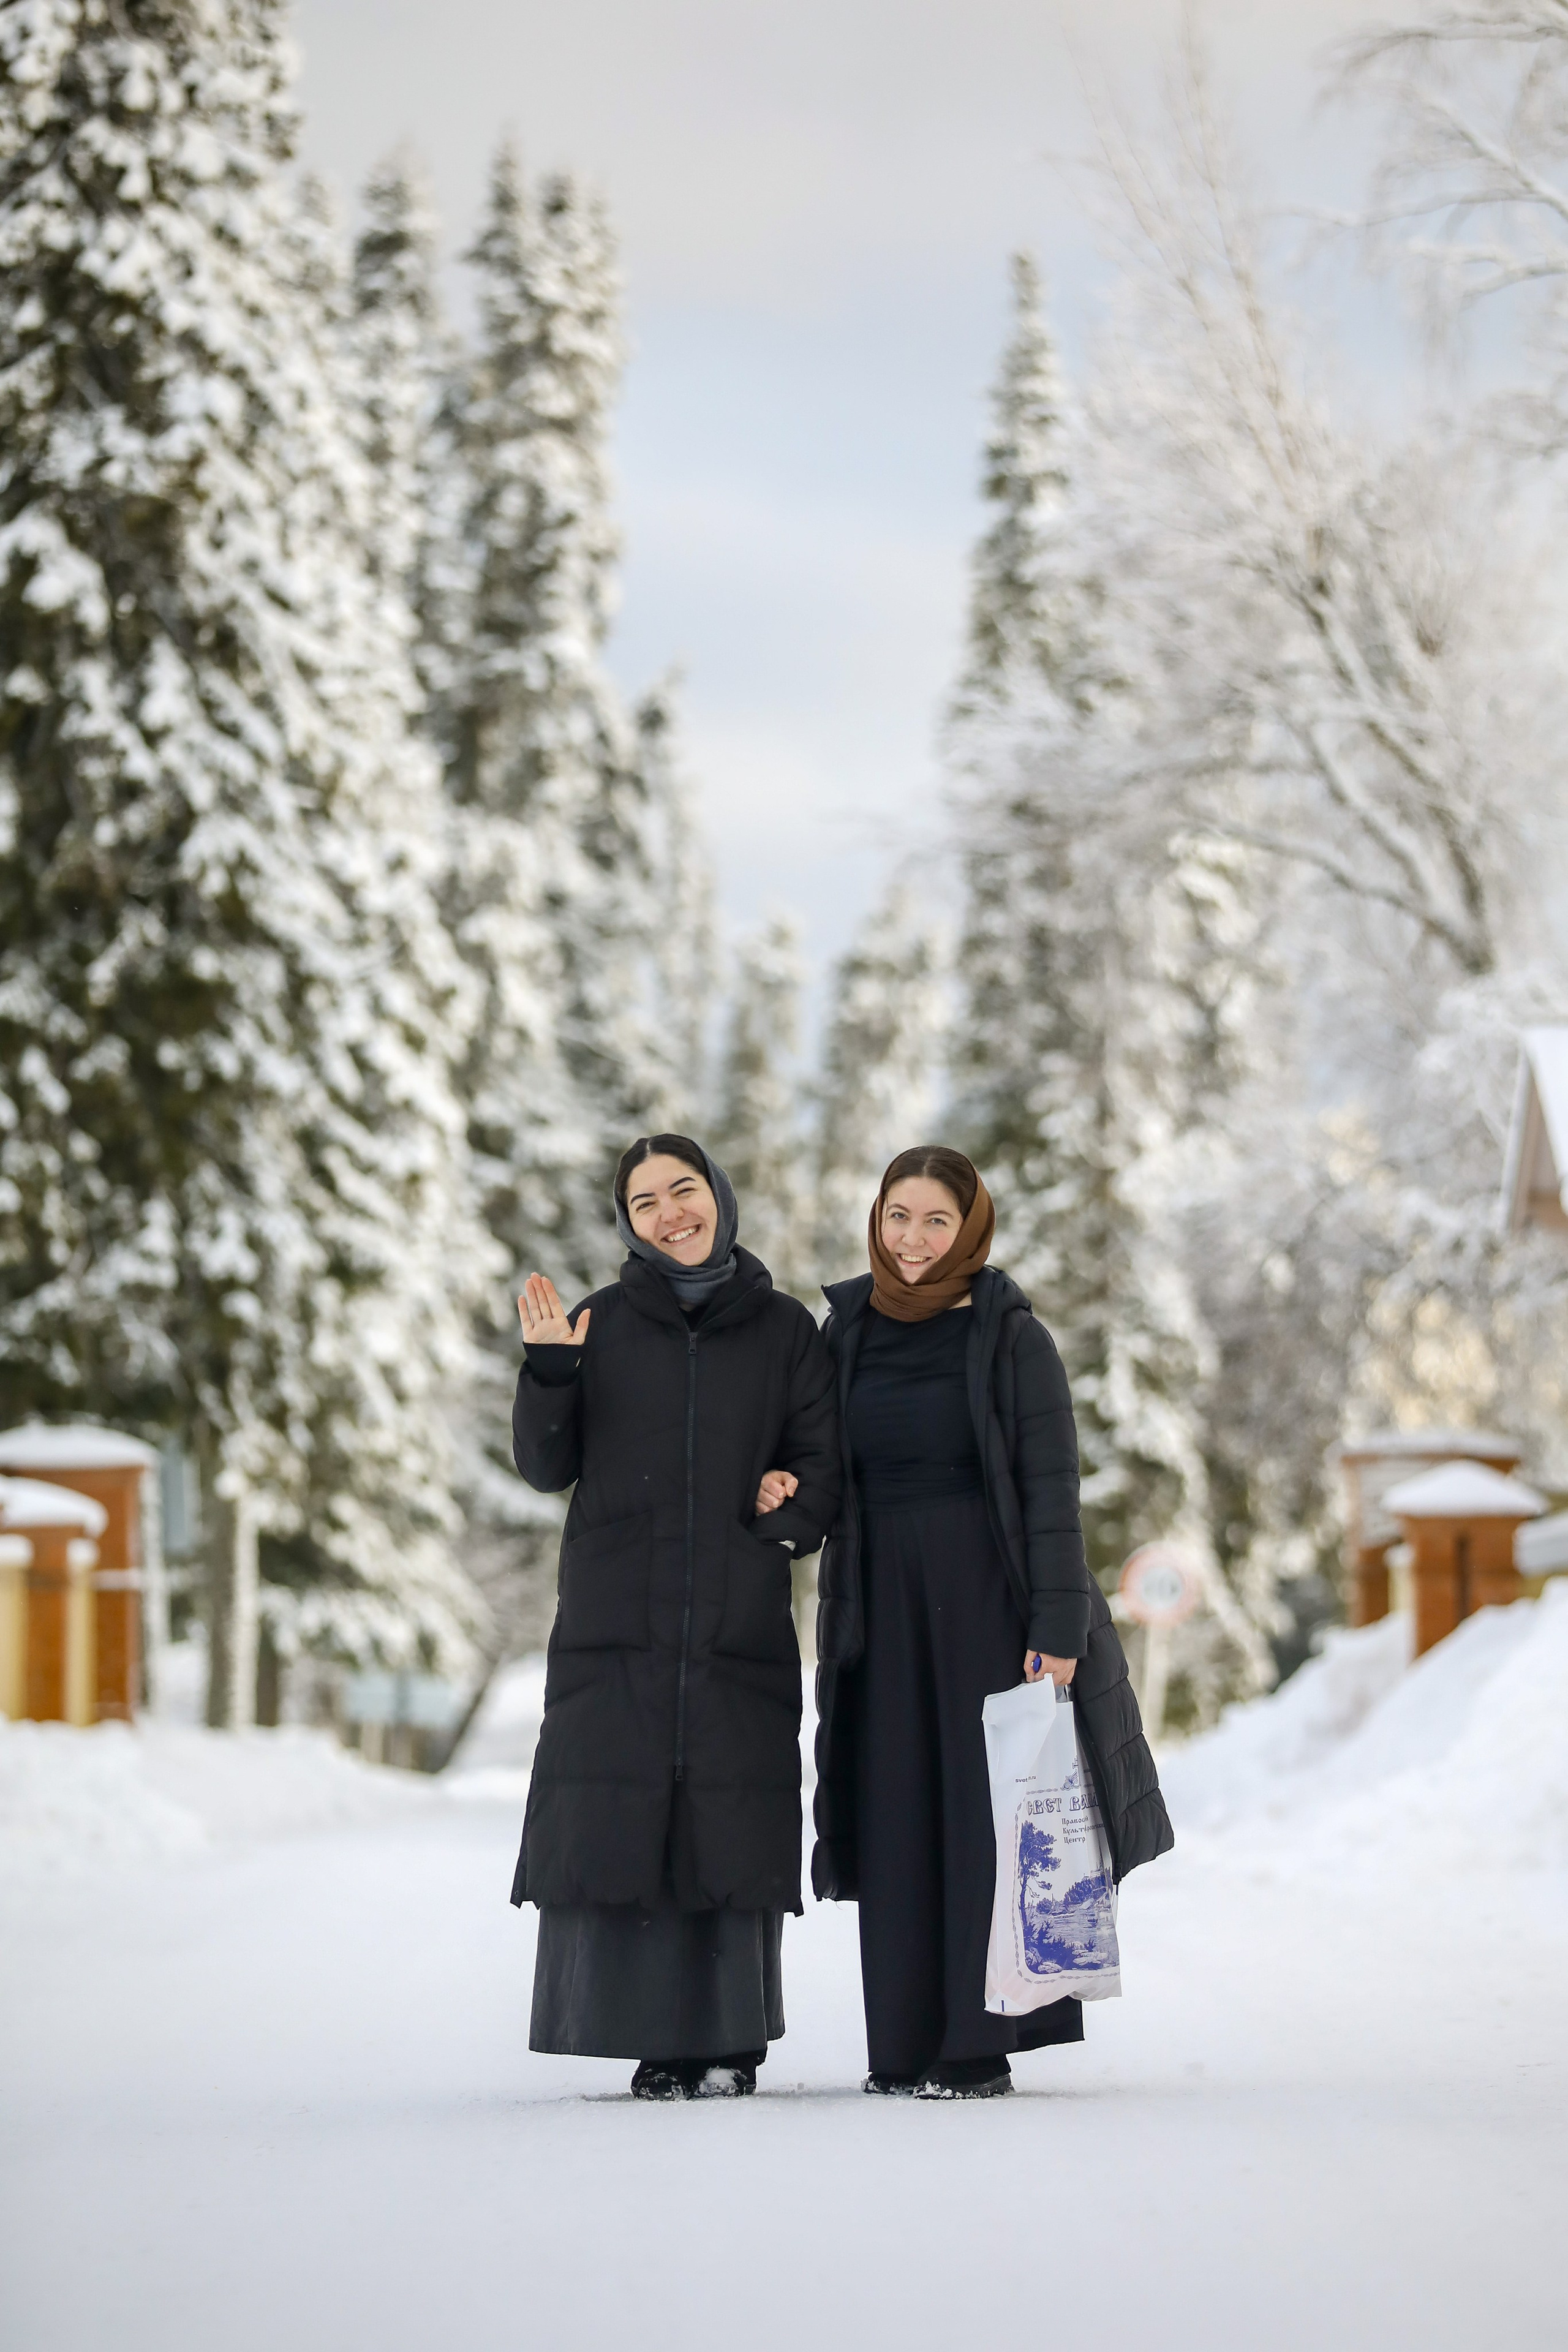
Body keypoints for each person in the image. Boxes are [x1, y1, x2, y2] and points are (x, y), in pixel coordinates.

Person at [781, 1144, 1172, 2099]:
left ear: (972, 1228)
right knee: (897, 1809)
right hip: (881, 1604)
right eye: (898, 1217)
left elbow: (1052, 1495)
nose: (913, 1240)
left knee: (983, 1817)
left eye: (936, 1221)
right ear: (877, 1221)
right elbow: (829, 1473)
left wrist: (1061, 1630)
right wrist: (782, 1497)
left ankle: (974, 2043)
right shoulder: (849, 1331)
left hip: (989, 1604)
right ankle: (904, 2042)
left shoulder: (1010, 1339)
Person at [510, 1134, 841, 2100]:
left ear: (719, 1198)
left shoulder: (786, 1331)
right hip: (618, 1620)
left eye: (683, 1191)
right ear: (628, 1223)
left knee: (727, 1817)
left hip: (737, 1618)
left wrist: (786, 1498)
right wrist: (550, 1373)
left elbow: (824, 1477)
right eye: (645, 1202)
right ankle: (651, 2037)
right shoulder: (596, 1324)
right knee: (626, 1810)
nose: (669, 1214)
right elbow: (543, 1465)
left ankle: (731, 2039)